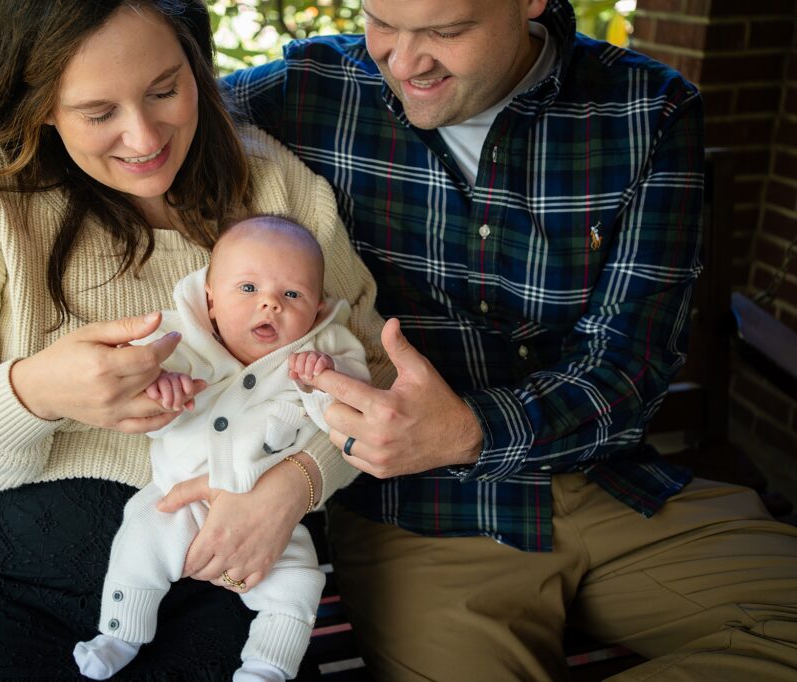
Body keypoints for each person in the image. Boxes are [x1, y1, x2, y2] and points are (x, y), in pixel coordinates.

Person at [217, 0, 797, 679]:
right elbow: (127, 117)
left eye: (445, 31)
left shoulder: (646, 110)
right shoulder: (303, 93)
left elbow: (628, 366)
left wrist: (469, 430)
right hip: (424, 517)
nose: (403, 63)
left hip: (611, 484)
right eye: (382, 22)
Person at [0, 1, 389, 679]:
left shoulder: (272, 186)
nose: (143, 137)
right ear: (39, 102)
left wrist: (298, 482)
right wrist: (34, 393)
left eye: (165, 90)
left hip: (222, 565)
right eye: (99, 113)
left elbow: (369, 366)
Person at [76, 215, 370, 681]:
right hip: (177, 496)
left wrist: (325, 379)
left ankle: (267, 667)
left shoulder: (325, 348)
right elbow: (131, 388)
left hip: (271, 512)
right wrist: (162, 385)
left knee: (299, 585)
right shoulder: (177, 339)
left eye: (292, 295)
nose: (270, 303)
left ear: (316, 310)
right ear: (210, 300)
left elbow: (355, 415)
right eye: (248, 288)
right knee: (140, 538)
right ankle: (119, 633)